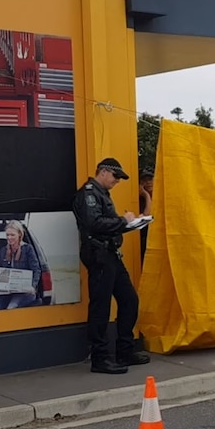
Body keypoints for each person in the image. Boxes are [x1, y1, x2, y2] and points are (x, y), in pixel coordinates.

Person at [72, 157, 150, 374]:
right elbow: (94, 223)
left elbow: (105, 224)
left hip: (110, 253)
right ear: (104, 172)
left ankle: (124, 350)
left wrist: (133, 223)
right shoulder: (89, 193)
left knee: (129, 300)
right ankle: (100, 358)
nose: (117, 182)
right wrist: (123, 221)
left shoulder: (101, 194)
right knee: (101, 307)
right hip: (99, 254)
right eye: (116, 177)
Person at [0, 220, 41, 310]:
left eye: (12, 235)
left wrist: (32, 286)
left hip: (25, 291)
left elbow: (36, 270)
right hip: (8, 291)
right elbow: (0, 270)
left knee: (11, 307)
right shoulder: (3, 250)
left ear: (19, 234)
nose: (9, 237)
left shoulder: (28, 249)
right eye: (7, 235)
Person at [138, 167, 154, 263]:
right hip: (145, 237)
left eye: (150, 179)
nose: (148, 182)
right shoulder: (139, 199)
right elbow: (147, 216)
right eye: (144, 180)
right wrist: (146, 196)